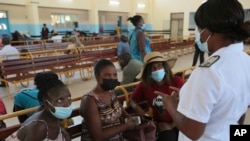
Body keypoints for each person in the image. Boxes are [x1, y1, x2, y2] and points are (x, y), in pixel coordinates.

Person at [155, 0, 250, 141]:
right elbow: (241, 109)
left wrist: (171, 106)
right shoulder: (245, 60)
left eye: (199, 29)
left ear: (210, 31)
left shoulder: (209, 71)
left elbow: (193, 132)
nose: (198, 34)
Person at [129, 52, 185, 141]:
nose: (157, 69)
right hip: (161, 123)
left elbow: (189, 103)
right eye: (153, 68)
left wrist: (171, 125)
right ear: (148, 71)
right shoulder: (144, 85)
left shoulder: (176, 81)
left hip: (181, 119)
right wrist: (143, 114)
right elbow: (132, 101)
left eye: (159, 65)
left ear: (164, 67)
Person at [80, 59, 137, 141]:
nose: (112, 78)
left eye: (114, 75)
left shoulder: (111, 92)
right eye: (107, 75)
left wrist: (129, 117)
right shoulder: (90, 100)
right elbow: (98, 137)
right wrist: (125, 126)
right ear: (97, 77)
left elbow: (118, 106)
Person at [6, 72, 72, 141]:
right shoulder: (39, 127)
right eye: (59, 100)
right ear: (46, 102)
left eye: (69, 98)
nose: (67, 104)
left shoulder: (52, 115)